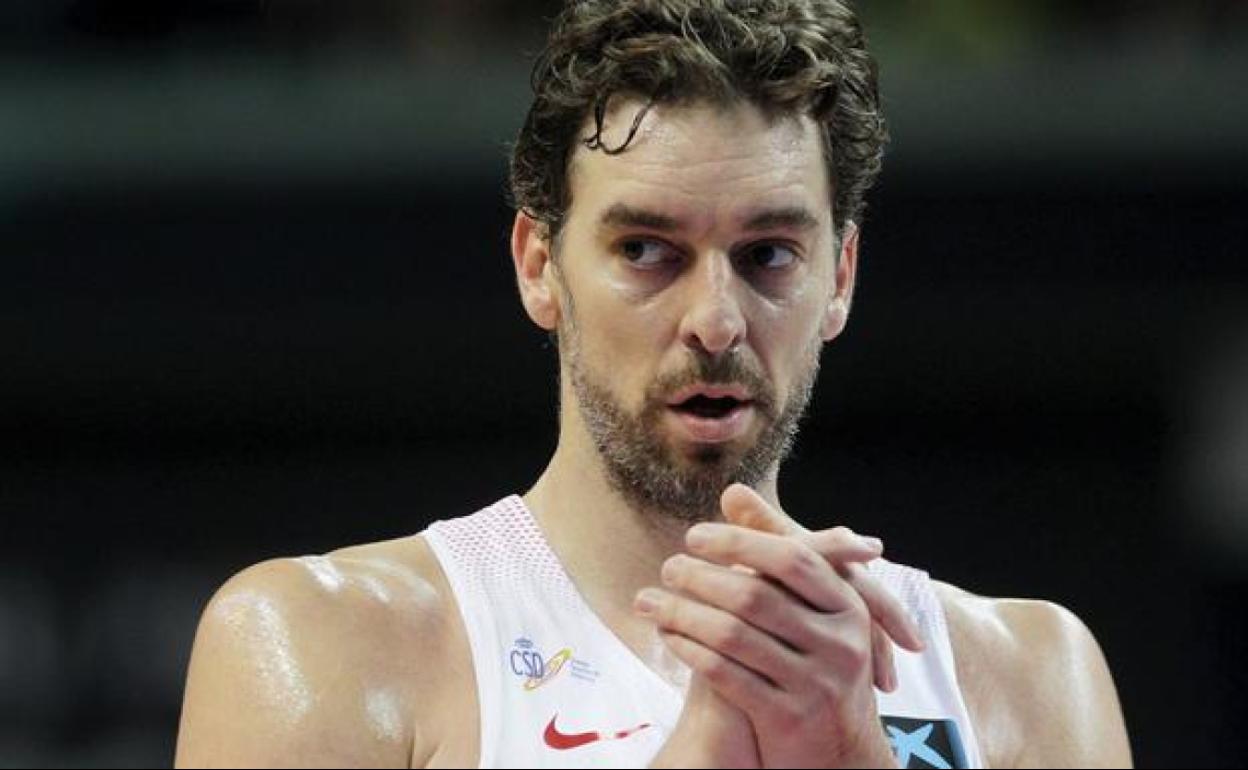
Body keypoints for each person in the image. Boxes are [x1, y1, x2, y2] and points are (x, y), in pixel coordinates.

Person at [174, 1, 1132, 767]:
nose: (716, 319)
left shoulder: (1027, 679)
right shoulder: (323, 645)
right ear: (539, 266)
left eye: (768, 253)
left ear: (839, 278)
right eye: (646, 249)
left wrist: (850, 755)